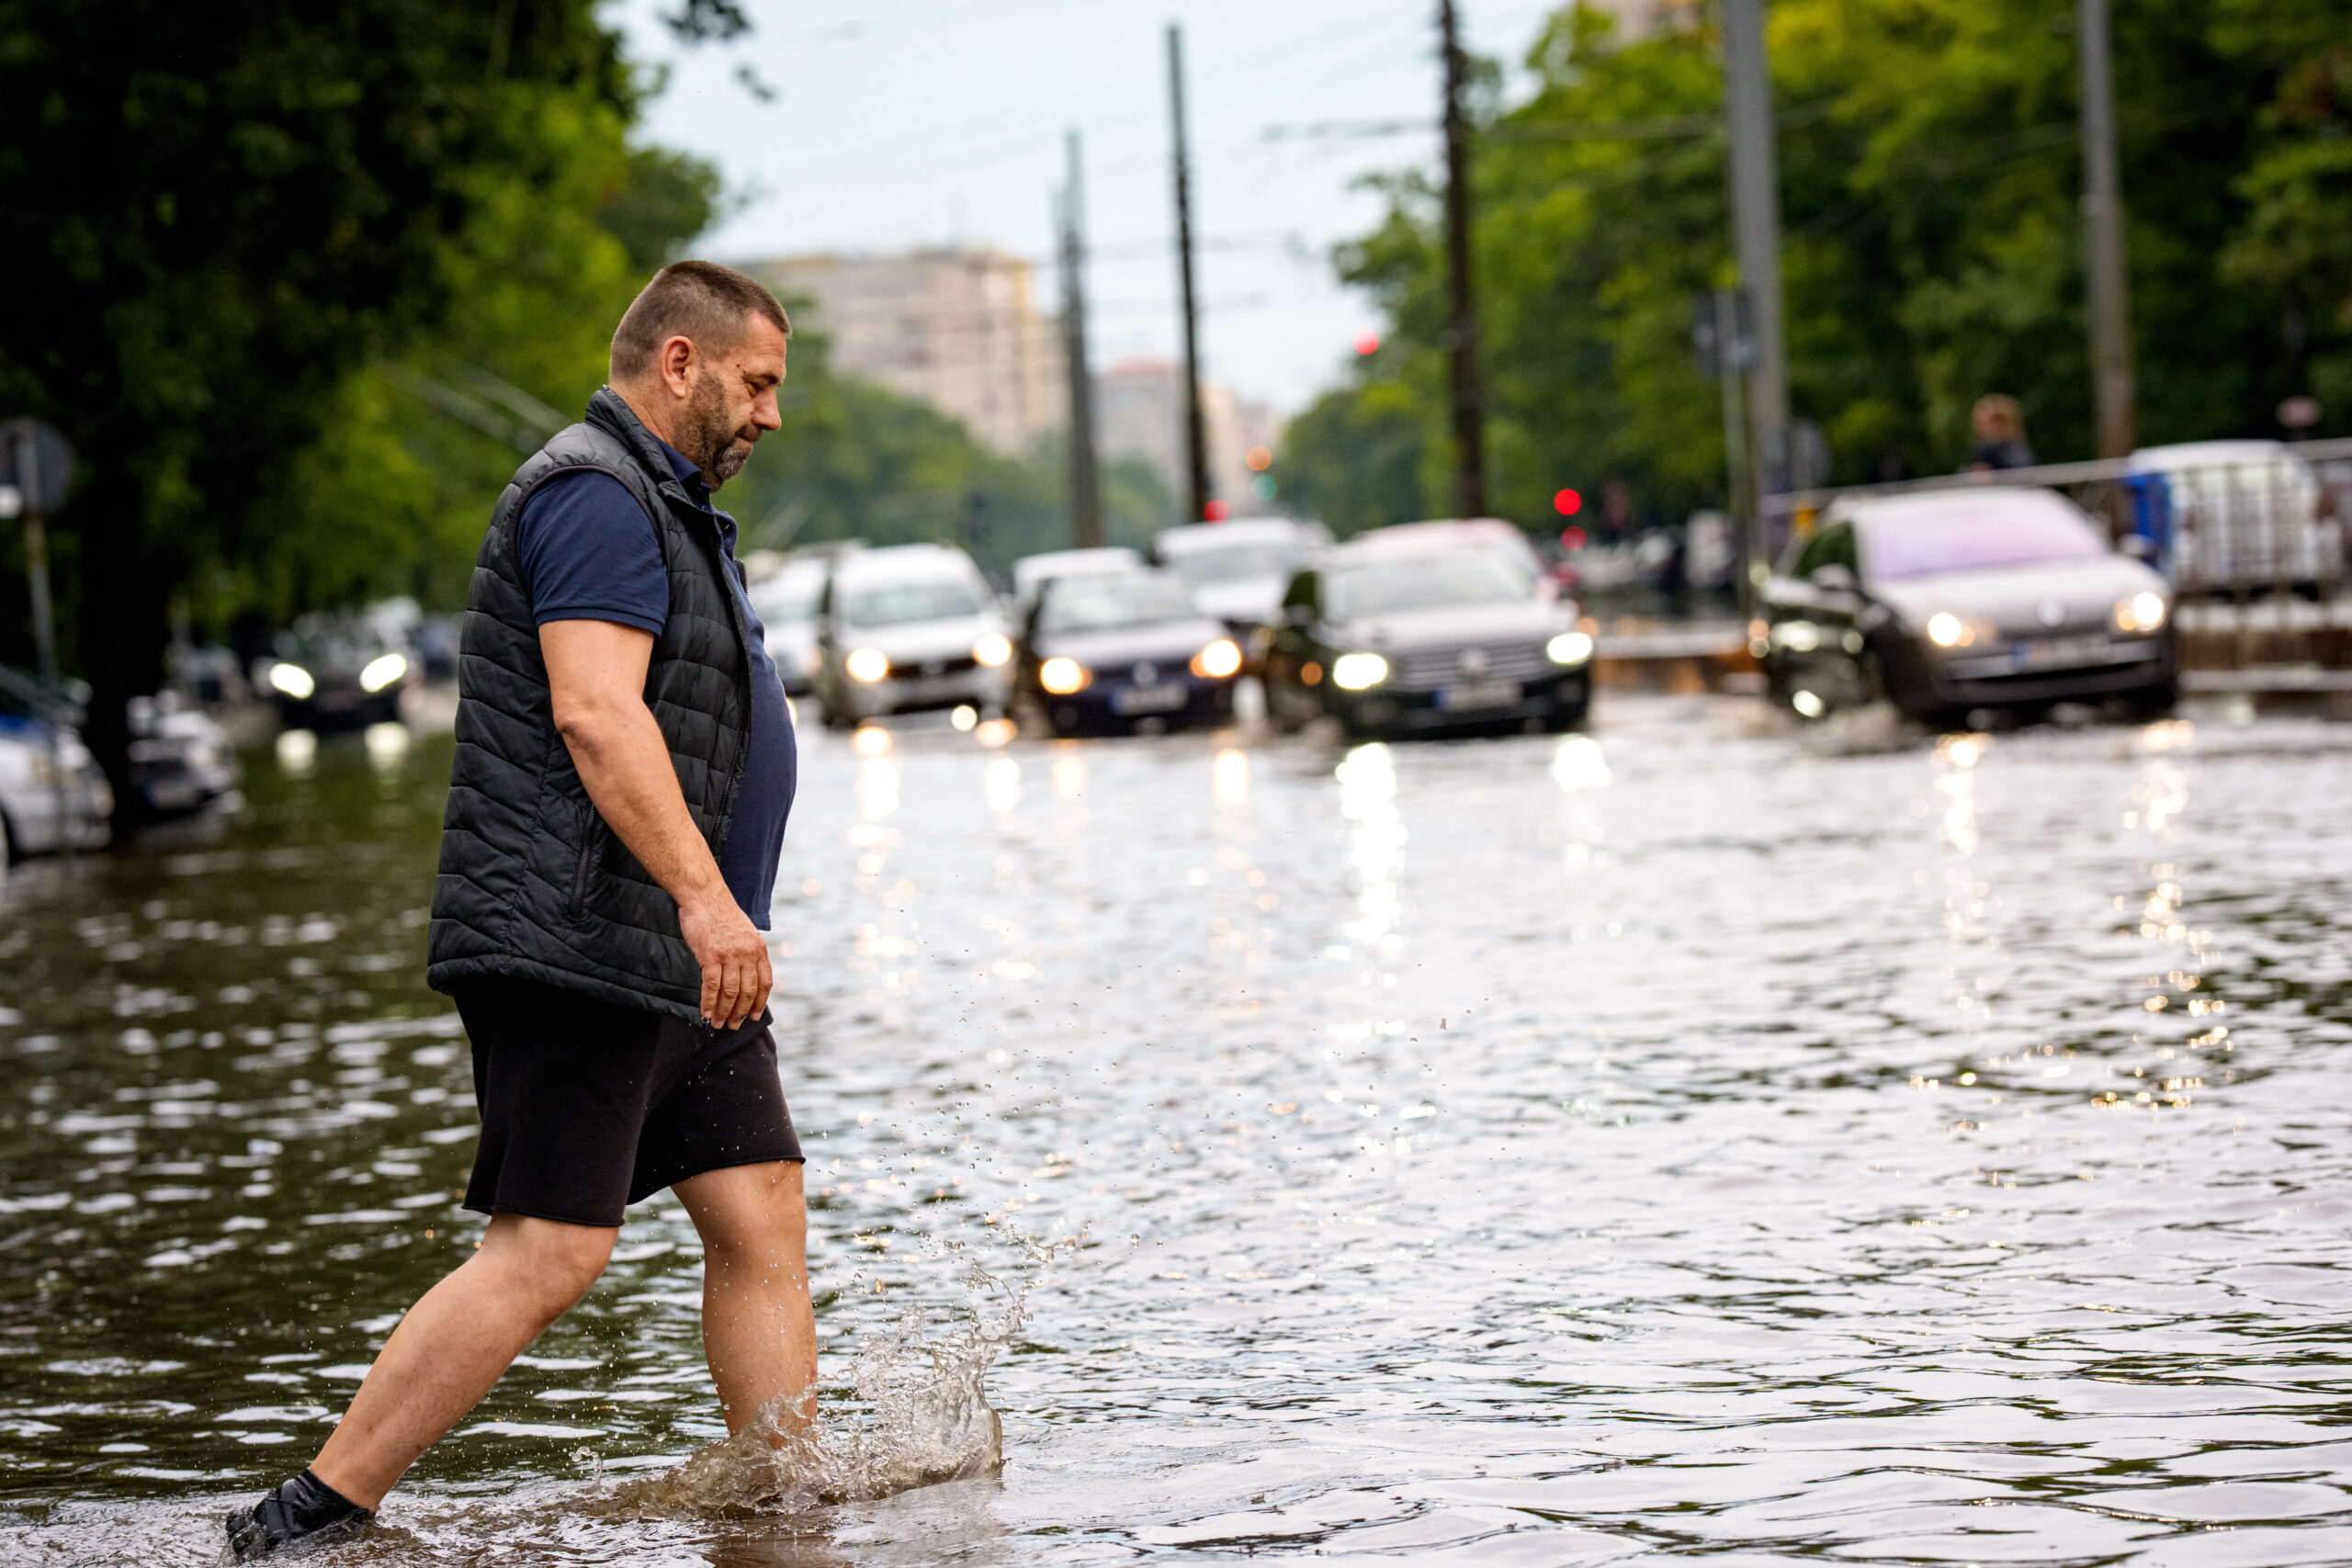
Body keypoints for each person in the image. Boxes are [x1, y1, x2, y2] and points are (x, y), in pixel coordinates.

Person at [225, 262, 812, 1559]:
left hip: (681, 950)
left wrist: (713, 920)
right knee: (549, 1245)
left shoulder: (670, 506)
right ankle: (307, 1514)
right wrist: (709, 902)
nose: (772, 412)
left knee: (760, 1201)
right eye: (758, 382)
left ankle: (786, 1501)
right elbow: (596, 713)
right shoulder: (596, 497)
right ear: (680, 362)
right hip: (588, 940)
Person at [1967, 394, 2036, 471]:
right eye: (1993, 421)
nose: (1998, 426)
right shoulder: (1985, 450)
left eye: (2001, 421)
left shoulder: (2018, 446)